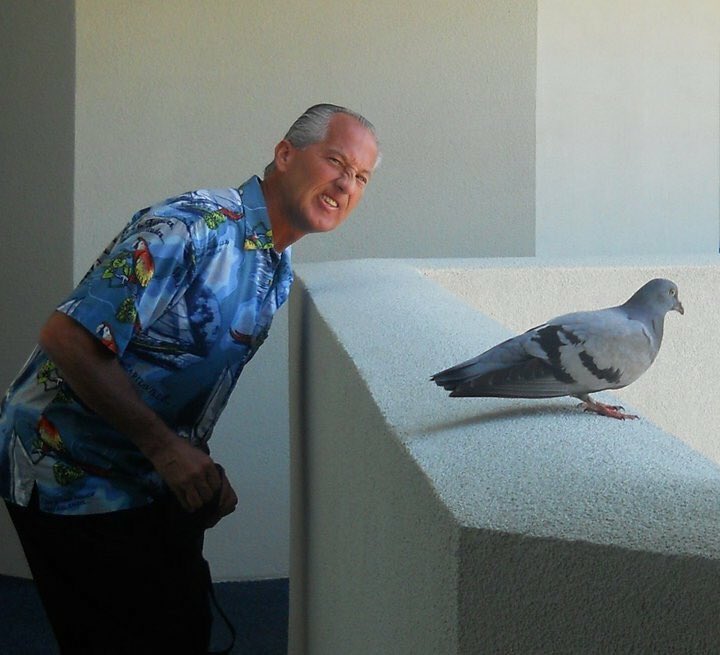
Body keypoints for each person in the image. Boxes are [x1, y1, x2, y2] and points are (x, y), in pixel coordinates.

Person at [0, 103, 380, 654]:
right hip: (65, 469)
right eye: (336, 162)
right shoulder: (193, 227)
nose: (346, 184)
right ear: (284, 154)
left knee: (182, 627)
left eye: (361, 178)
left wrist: (191, 460)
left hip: (141, 470)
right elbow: (67, 337)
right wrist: (165, 450)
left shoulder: (275, 266)